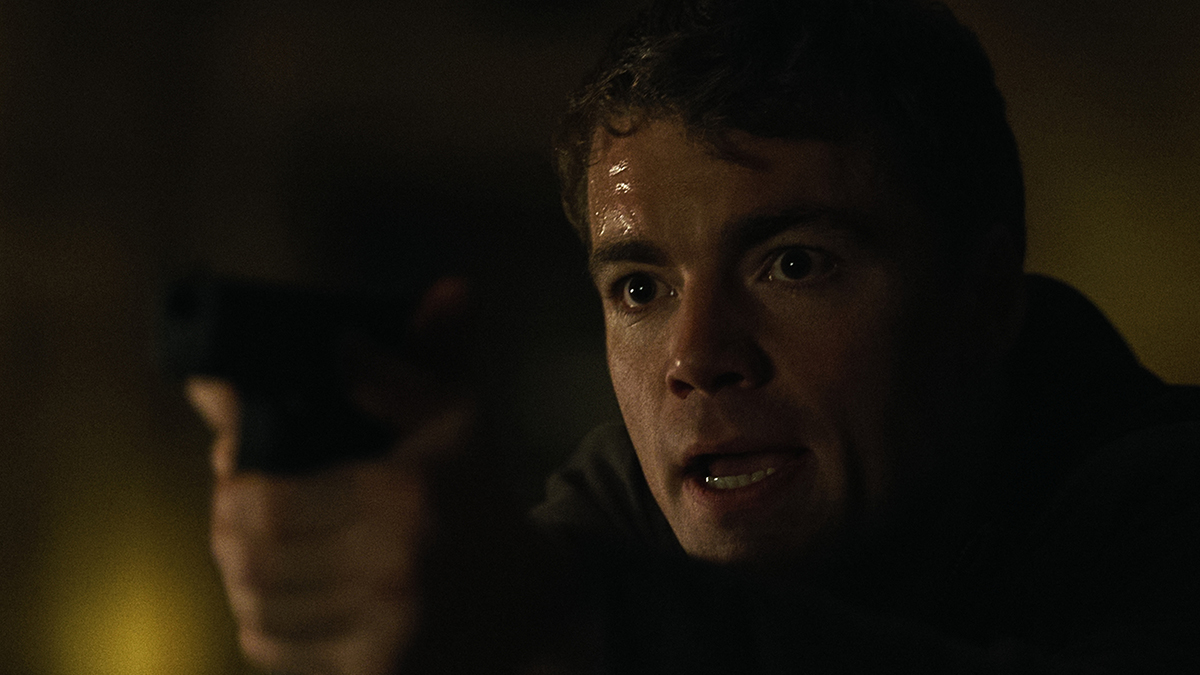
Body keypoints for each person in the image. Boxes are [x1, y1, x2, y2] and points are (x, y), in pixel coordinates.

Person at [188, 0, 1200, 672]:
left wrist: (562, 622)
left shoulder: (1161, 507)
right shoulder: (619, 515)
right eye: (640, 287)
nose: (696, 357)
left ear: (982, 300)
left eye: (793, 265)